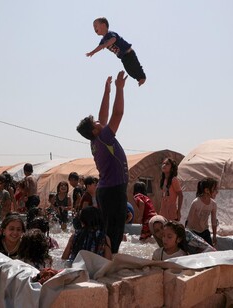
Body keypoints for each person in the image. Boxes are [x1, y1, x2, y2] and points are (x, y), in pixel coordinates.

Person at [76, 71, 129, 254]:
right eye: (96, 123)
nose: (100, 122)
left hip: (107, 190)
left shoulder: (96, 140)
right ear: (95, 130)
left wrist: (107, 91)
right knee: (114, 232)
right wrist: (119, 89)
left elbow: (103, 115)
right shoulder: (104, 137)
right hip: (114, 190)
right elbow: (118, 113)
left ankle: (104, 256)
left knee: (108, 230)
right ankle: (109, 261)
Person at [86, 17, 146, 86]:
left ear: (103, 25)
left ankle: (142, 77)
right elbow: (99, 47)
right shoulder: (103, 40)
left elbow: (113, 39)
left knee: (135, 66)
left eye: (95, 26)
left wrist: (105, 45)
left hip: (129, 53)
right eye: (93, 27)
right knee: (129, 70)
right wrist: (93, 52)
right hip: (123, 57)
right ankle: (138, 79)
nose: (94, 29)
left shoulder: (110, 34)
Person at [186, 177, 219, 246]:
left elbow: (214, 221)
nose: (217, 192)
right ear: (206, 190)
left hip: (205, 232)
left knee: (210, 250)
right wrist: (188, 236)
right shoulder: (196, 203)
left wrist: (215, 236)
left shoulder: (213, 204)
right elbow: (189, 220)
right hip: (194, 233)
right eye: (214, 189)